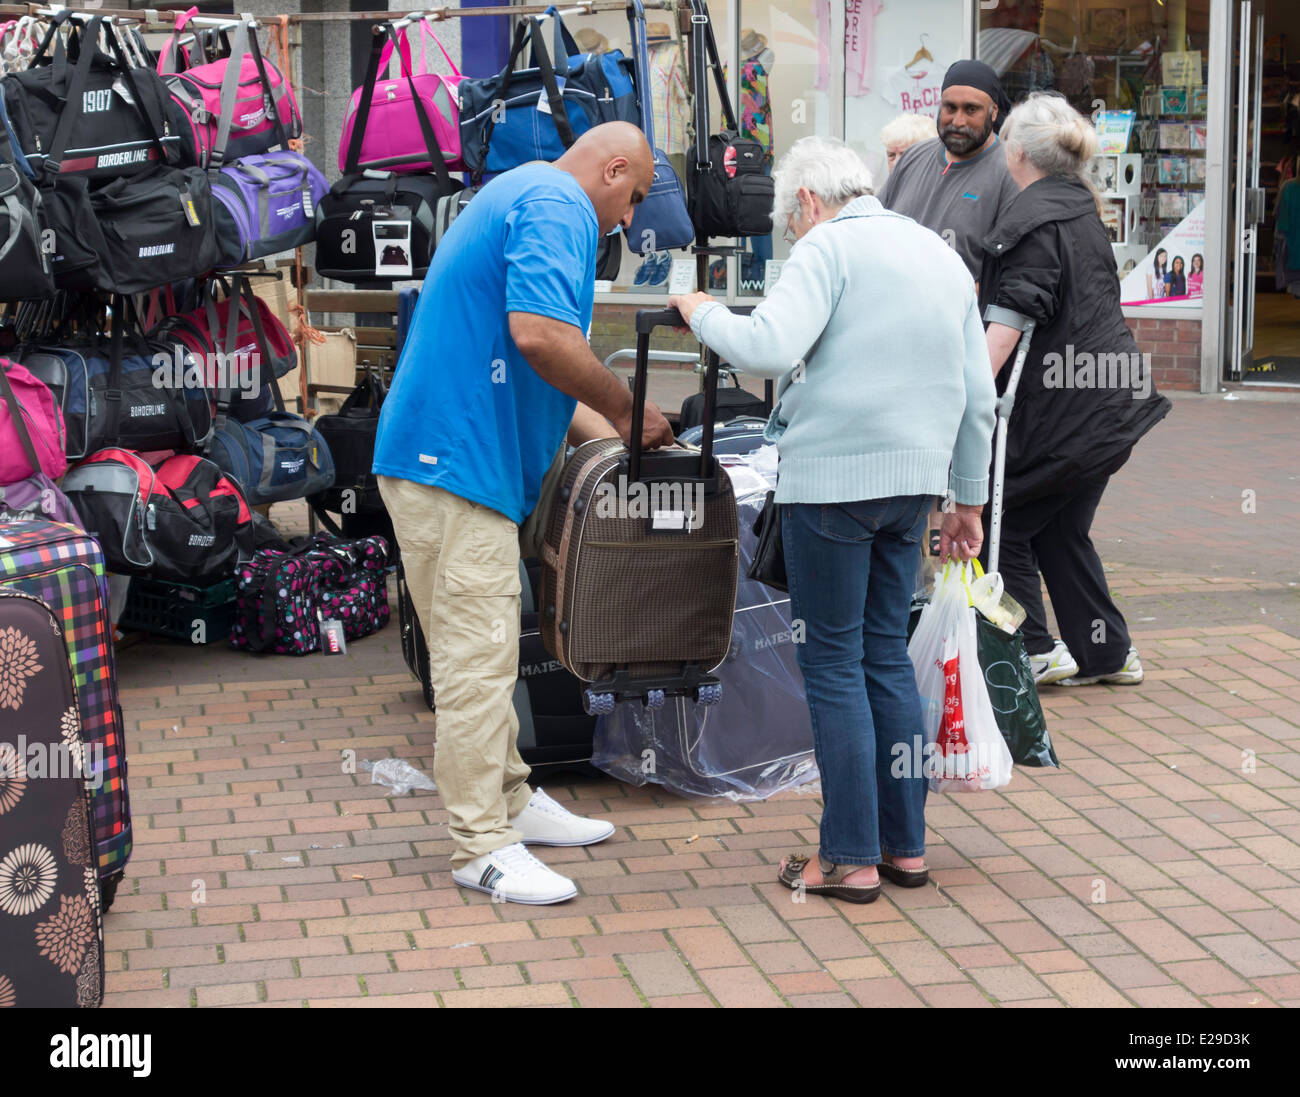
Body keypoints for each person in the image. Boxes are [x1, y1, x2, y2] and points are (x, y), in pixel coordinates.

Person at [670, 136, 995, 903]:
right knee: (884, 657)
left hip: (831, 485)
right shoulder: (939, 257)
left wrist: (700, 307)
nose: (795, 236)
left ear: (808, 203)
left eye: (791, 223)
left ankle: (848, 855)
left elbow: (767, 342)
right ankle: (904, 847)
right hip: (913, 484)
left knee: (832, 664)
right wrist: (968, 500)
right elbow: (978, 397)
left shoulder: (829, 249)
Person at [373, 123, 670, 906]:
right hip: (454, 467)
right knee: (478, 655)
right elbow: (540, 337)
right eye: (633, 198)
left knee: (487, 647)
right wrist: (631, 408)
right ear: (611, 170)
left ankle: (511, 796)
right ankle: (481, 843)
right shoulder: (558, 205)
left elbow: (549, 369)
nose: (629, 221)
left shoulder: (527, 191)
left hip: (450, 464)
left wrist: (620, 439)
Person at [978, 92, 1171, 687]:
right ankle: (1107, 654)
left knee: (1000, 522)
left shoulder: (1030, 221)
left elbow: (1009, 326)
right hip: (1111, 403)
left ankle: (1035, 649)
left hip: (1073, 415)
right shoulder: (1083, 209)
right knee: (1060, 528)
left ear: (1014, 153)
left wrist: (962, 390)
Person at [878, 59, 1021, 279]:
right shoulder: (913, 157)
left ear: (993, 113)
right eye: (950, 108)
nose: (958, 120)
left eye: (971, 109)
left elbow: (1011, 277)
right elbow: (874, 228)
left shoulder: (1011, 172)